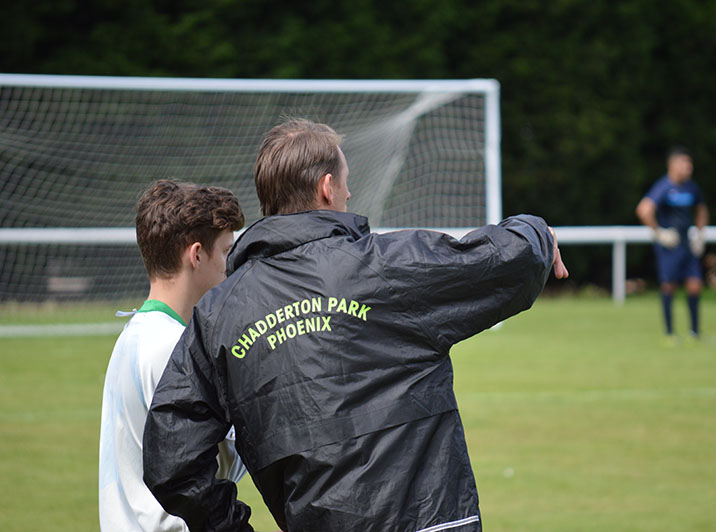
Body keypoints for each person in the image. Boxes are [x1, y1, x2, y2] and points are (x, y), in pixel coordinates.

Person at [143, 118, 569, 532]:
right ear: (327, 188)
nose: (349, 193)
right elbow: (506, 258)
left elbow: (171, 458)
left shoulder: (219, 311)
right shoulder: (384, 266)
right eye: (345, 182)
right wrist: (537, 232)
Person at [99, 179, 247, 531]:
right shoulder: (171, 348)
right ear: (196, 255)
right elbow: (205, 467)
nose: (229, 266)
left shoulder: (136, 335)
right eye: (225, 252)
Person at [636, 145, 709, 342]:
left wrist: (700, 234)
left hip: (687, 243)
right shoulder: (664, 186)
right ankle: (670, 333)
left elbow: (702, 210)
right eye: (685, 163)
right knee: (669, 286)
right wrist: (659, 233)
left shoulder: (692, 187)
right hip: (670, 245)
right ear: (673, 164)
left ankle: (695, 332)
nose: (689, 167)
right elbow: (644, 209)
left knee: (695, 285)